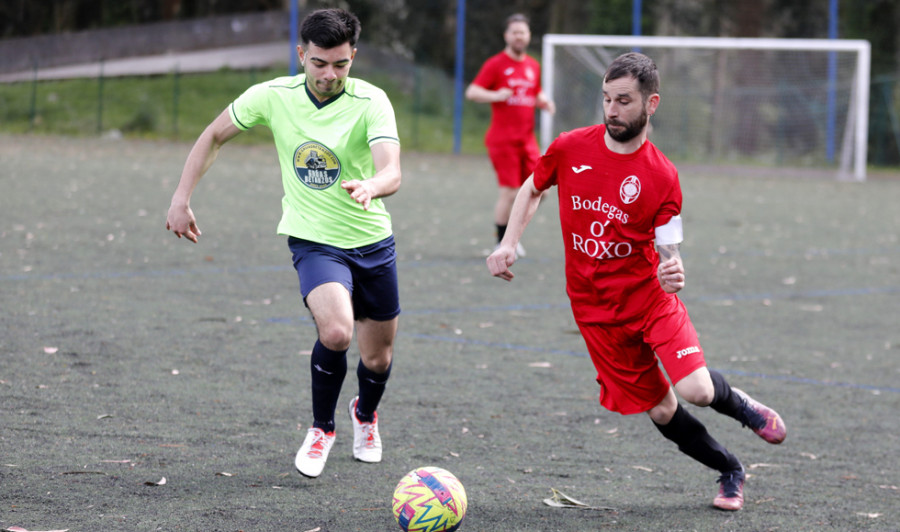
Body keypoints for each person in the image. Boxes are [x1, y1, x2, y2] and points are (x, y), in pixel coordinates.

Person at [486, 52, 786, 511]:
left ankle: (743, 407)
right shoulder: (570, 147)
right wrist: (509, 242)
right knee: (662, 409)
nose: (611, 110)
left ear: (651, 104)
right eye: (606, 99)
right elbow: (533, 186)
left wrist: (673, 268)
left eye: (624, 101)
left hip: (648, 301)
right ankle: (730, 470)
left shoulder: (662, 175)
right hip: (594, 312)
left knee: (698, 392)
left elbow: (669, 248)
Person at [166, 8, 402, 479]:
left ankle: (365, 415)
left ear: (353, 56)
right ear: (301, 55)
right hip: (314, 240)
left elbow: (391, 169)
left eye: (340, 64)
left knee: (378, 357)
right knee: (336, 332)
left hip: (372, 240)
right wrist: (180, 196)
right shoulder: (272, 96)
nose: (330, 75)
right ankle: (321, 428)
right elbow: (214, 135)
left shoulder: (372, 100)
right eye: (319, 63)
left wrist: (372, 186)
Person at [465, 13, 555, 257]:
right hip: (502, 140)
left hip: (527, 140)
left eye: (522, 32)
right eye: (514, 32)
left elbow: (535, 92)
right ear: (507, 36)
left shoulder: (532, 66)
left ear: (528, 36)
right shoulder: (496, 64)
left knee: (543, 189)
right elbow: (472, 91)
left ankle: (512, 234)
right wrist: (496, 95)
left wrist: (544, 101)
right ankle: (502, 241)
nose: (518, 36)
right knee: (510, 191)